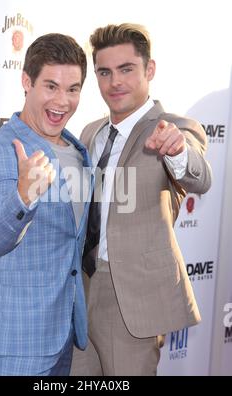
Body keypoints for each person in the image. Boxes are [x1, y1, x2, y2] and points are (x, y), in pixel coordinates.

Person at [70, 23, 212, 376]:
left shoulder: (174, 128)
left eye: (126, 69)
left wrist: (177, 150)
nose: (115, 81)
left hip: (132, 299)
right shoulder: (91, 132)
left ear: (149, 69)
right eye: (105, 72)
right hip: (80, 289)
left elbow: (200, 176)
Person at [0, 33, 93, 376]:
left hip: (63, 333)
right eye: (50, 86)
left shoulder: (78, 150)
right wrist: (24, 194)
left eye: (73, 89)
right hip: (14, 340)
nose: (62, 101)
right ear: (26, 81)